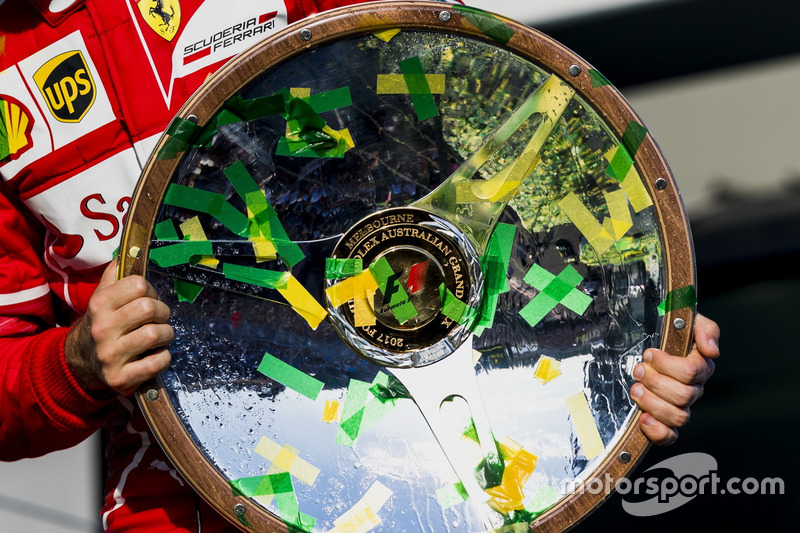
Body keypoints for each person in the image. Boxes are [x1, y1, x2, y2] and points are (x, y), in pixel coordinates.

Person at [0, 0, 720, 530]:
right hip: (175, 510)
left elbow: (472, 167)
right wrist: (71, 364)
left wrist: (631, 327)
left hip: (421, 475)